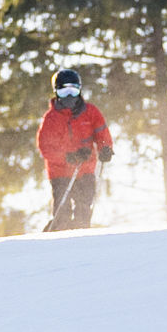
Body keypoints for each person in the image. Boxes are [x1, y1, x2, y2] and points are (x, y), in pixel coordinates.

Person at [36, 68, 113, 232]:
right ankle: (56, 235)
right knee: (62, 212)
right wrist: (67, 157)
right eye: (64, 92)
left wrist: (105, 148)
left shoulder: (90, 112)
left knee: (84, 208)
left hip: (85, 169)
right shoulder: (51, 118)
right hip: (60, 173)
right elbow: (46, 147)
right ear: (56, 92)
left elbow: (101, 132)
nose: (69, 96)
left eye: (73, 90)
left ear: (79, 90)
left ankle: (81, 242)